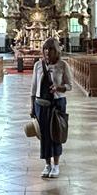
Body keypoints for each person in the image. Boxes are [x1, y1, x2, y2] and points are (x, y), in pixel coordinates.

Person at [30, 37, 72, 179]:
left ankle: (56, 165)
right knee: (44, 136)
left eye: (50, 49)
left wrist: (59, 87)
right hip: (40, 104)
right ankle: (47, 164)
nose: (47, 52)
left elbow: (69, 86)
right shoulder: (38, 65)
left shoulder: (63, 65)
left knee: (56, 133)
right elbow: (33, 87)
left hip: (57, 103)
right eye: (45, 49)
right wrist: (32, 106)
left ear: (56, 50)